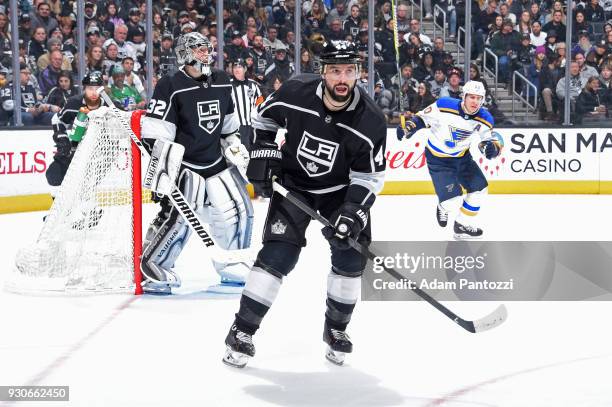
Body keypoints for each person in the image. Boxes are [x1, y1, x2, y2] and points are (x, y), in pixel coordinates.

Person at [222, 40, 387, 368]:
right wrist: (264, 153)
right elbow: (264, 119)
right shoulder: (296, 90)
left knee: (352, 256)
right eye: (335, 70)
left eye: (350, 71)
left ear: (359, 74)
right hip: (294, 186)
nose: (343, 78)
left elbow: (368, 177)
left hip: (339, 191)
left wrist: (353, 213)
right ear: (323, 72)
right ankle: (241, 331)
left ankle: (336, 331)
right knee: (278, 254)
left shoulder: (371, 120)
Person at [139, 32, 253, 295]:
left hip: (214, 160)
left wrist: (234, 146)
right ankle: (154, 266)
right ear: (185, 54)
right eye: (199, 50)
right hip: (184, 164)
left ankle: (232, 264)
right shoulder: (171, 84)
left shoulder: (223, 80)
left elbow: (227, 127)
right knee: (179, 220)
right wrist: (163, 171)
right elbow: (156, 134)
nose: (206, 54)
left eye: (207, 49)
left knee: (238, 208)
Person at [396, 81, 501, 239]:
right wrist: (410, 126)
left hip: (463, 158)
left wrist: (492, 148)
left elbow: (489, 141)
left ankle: (461, 225)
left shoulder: (485, 118)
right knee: (452, 201)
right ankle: (443, 207)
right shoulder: (444, 105)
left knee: (480, 189)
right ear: (463, 96)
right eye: (471, 97)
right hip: (438, 160)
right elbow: (423, 119)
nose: (475, 101)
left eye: (479, 98)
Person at [45, 72, 108, 187]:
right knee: (55, 176)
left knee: (89, 180)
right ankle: (58, 200)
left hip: (97, 149)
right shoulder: (74, 103)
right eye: (90, 88)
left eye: (97, 88)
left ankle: (88, 199)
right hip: (75, 145)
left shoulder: (109, 106)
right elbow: (57, 119)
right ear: (84, 89)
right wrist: (62, 139)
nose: (94, 92)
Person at [230, 58, 262, 150]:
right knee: (238, 155)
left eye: (239, 67)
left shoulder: (253, 85)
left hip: (251, 126)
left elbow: (259, 103)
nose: (236, 69)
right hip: (235, 127)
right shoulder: (228, 85)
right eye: (234, 67)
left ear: (245, 69)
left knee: (251, 152)